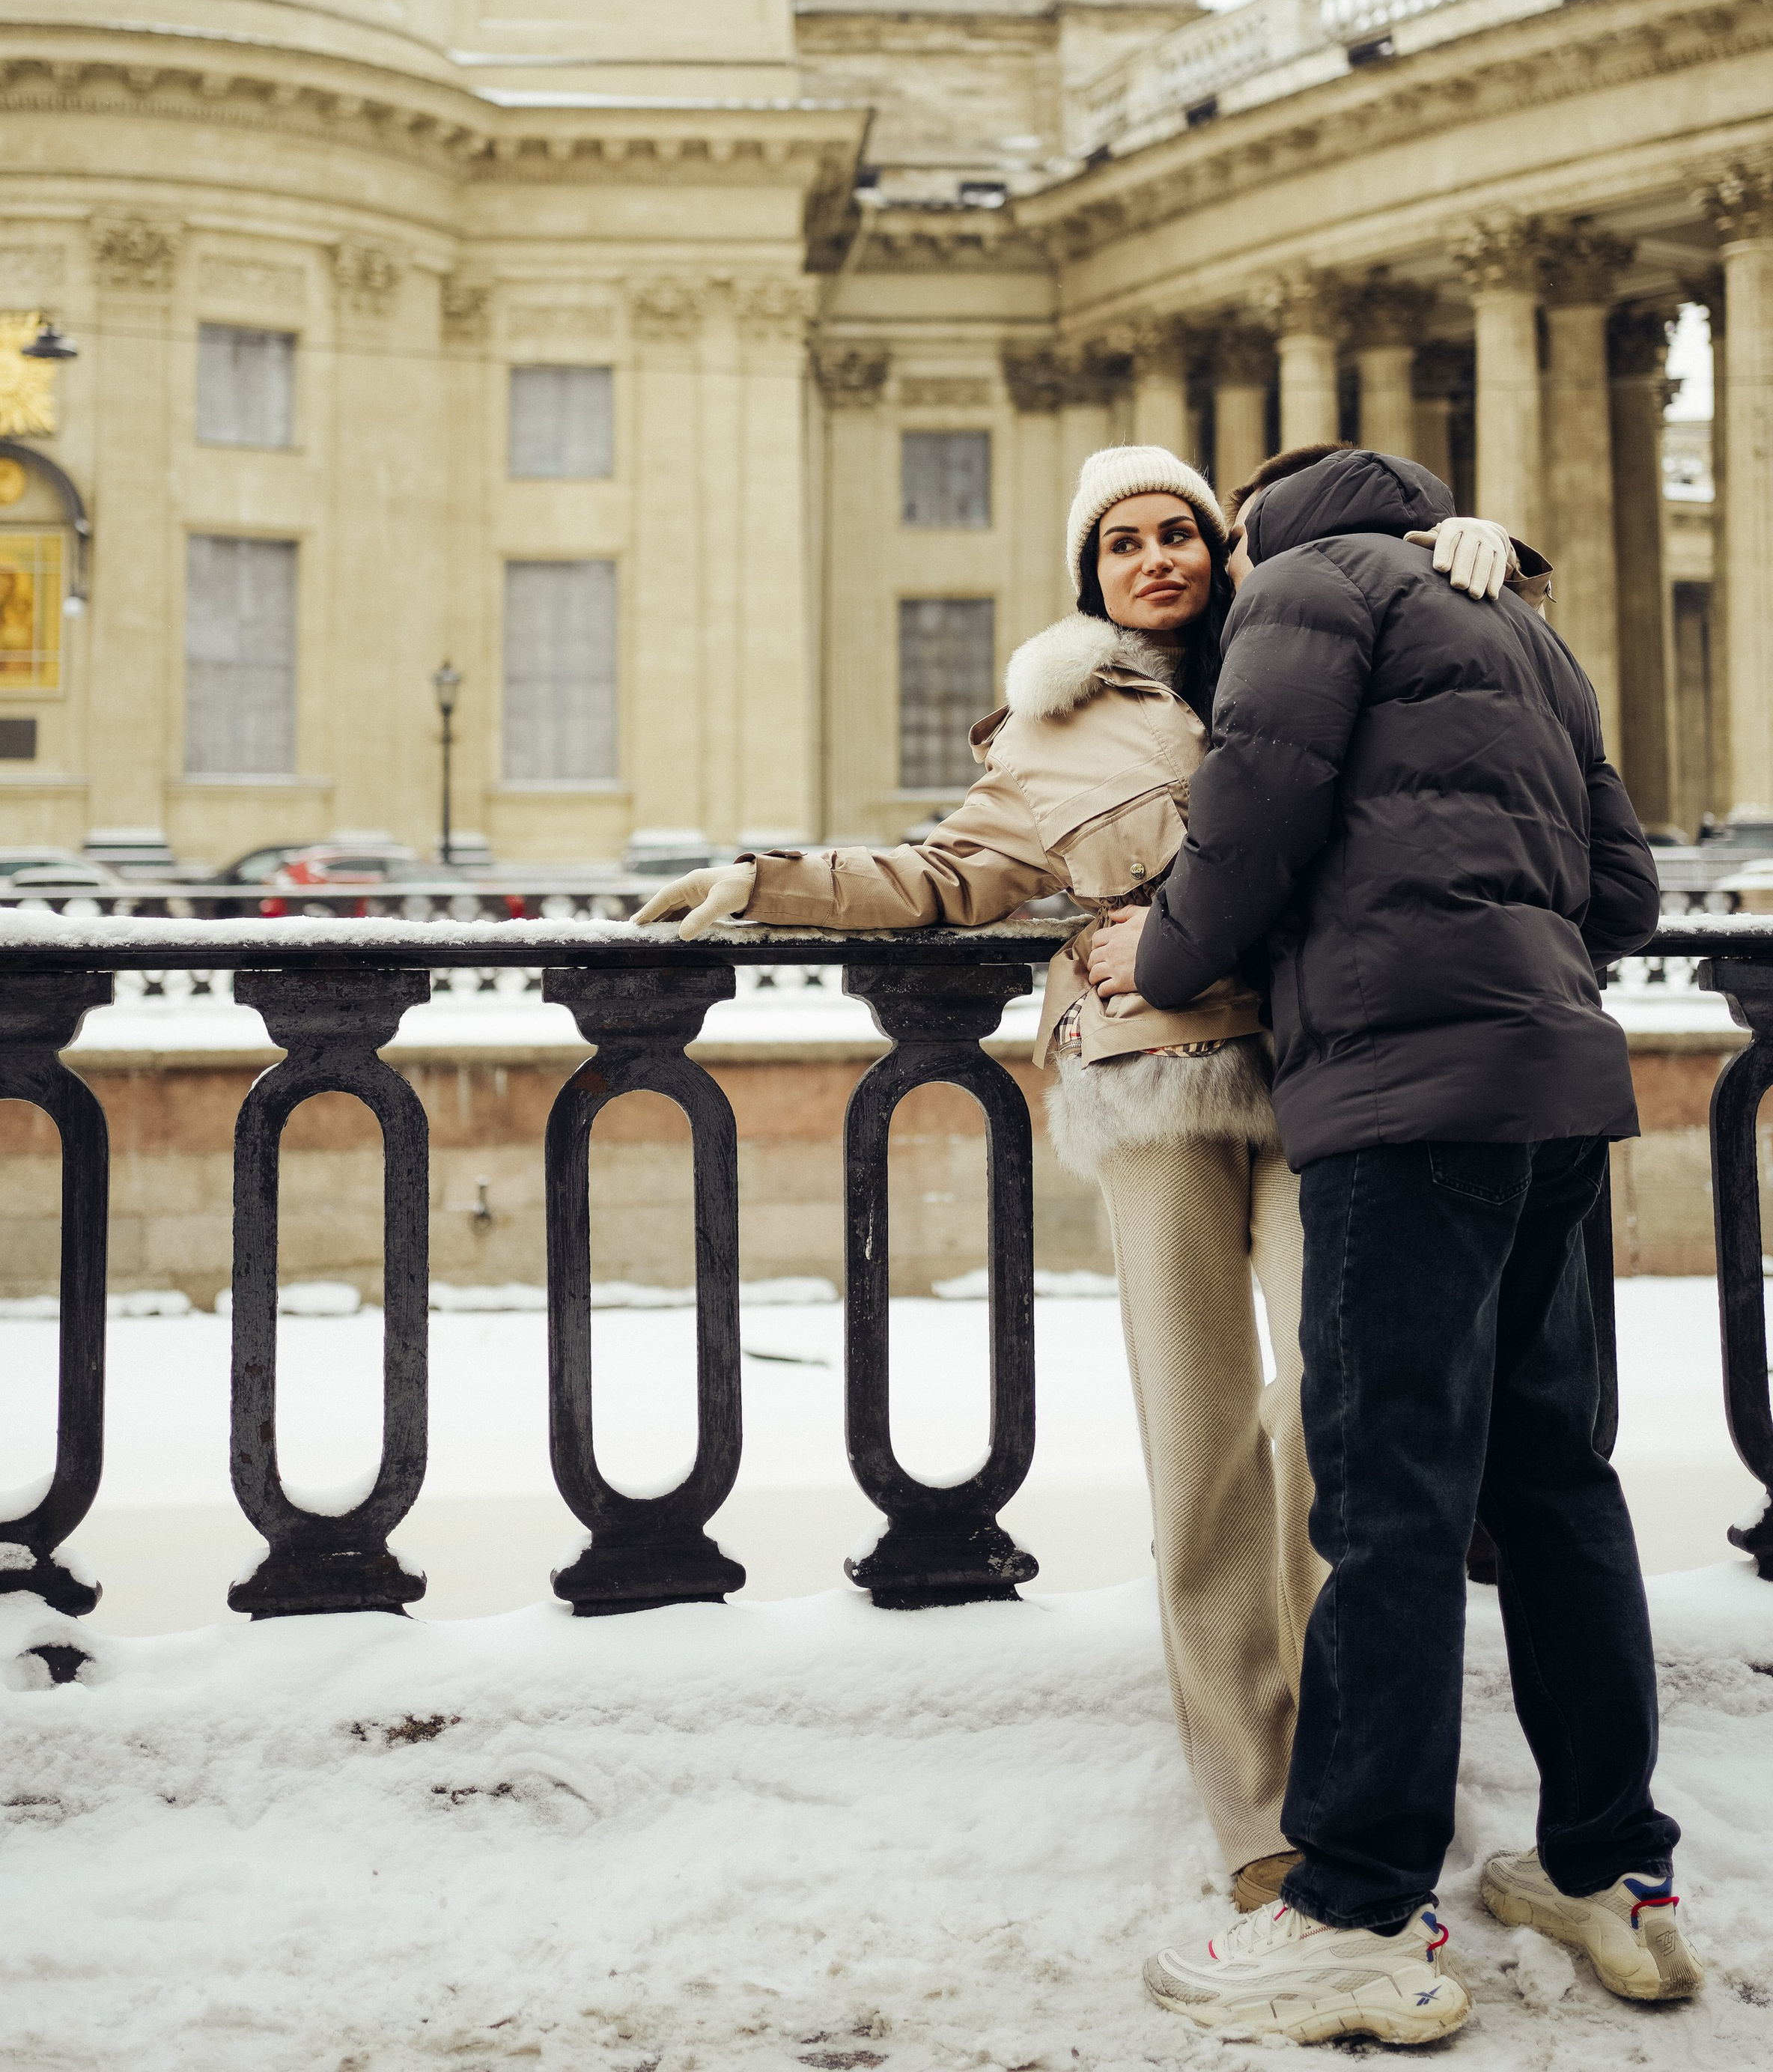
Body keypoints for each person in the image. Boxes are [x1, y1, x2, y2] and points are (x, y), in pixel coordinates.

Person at [634, 443, 1511, 1908]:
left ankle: (1347, 1761)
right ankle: (1251, 1809)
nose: (1155, 556)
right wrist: (765, 883)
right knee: (1200, 1449)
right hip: (1150, 1085)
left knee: (1333, 1426)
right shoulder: (1047, 731)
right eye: (1120, 543)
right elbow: (938, 878)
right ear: (1087, 578)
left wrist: (1458, 551)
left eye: (1180, 530)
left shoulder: (1303, 646)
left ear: (1222, 550)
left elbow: (1433, 763)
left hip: (1311, 1071)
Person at [1129, 446, 1697, 2050]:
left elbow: (1241, 840)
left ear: (1260, 524)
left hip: (1399, 1103)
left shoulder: (1301, 594)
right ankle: (1609, 1875)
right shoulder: (1511, 619)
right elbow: (1623, 890)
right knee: (1551, 1481)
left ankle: (1357, 1911)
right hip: (1555, 1089)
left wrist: (1155, 955)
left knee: (1384, 1504)